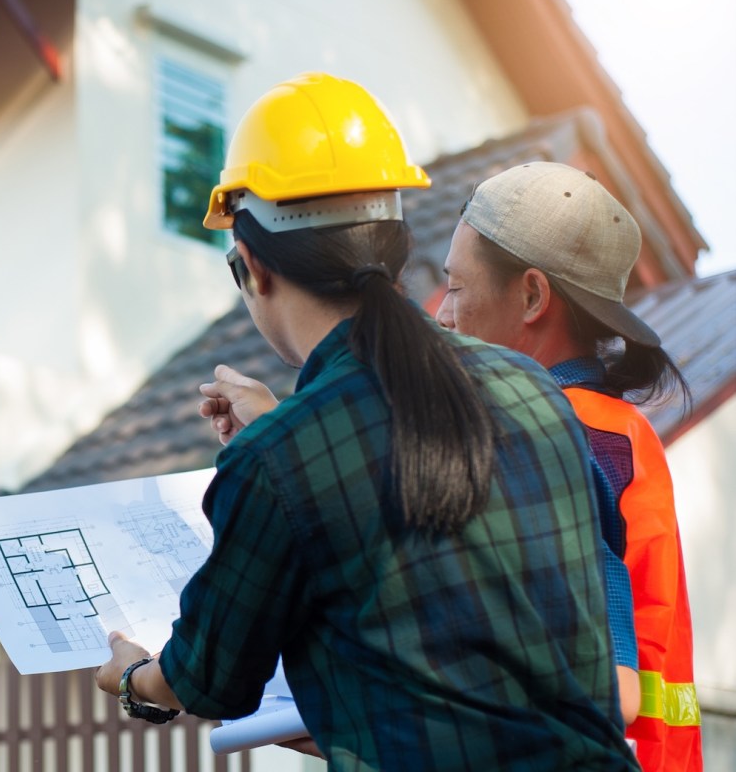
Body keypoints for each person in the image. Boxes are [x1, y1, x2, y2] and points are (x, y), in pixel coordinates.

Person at [93, 73, 637, 769]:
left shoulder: (277, 461)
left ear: (254, 268)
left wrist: (135, 678)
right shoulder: (532, 390)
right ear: (396, 247)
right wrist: (284, 431)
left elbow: (208, 678)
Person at [436, 161, 701, 769]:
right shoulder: (616, 430)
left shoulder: (546, 438)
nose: (443, 317)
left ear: (532, 295)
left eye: (455, 287)